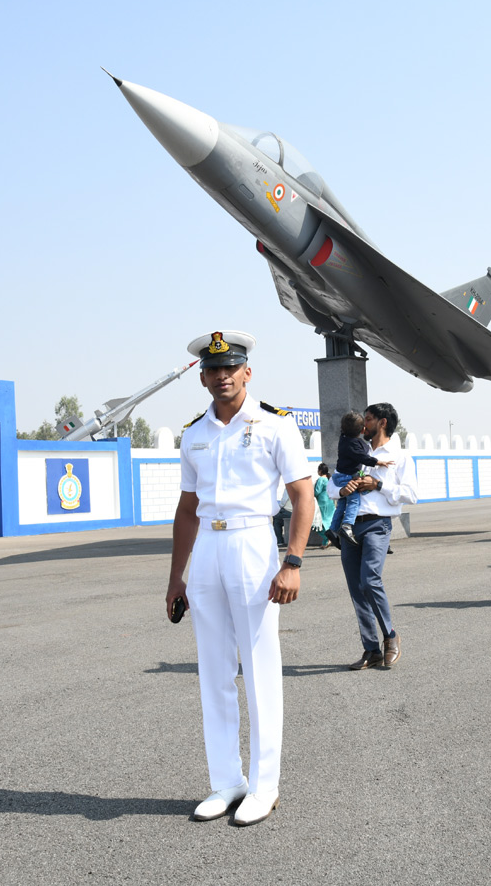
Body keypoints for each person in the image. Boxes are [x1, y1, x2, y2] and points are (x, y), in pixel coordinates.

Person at [167, 330, 313, 827]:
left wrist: (291, 562)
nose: (222, 375)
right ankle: (226, 780)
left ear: (247, 372)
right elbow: (187, 509)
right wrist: (176, 577)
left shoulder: (275, 426)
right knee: (213, 670)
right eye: (213, 369)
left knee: (259, 665)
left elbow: (302, 497)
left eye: (231, 367)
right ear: (203, 377)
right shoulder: (194, 434)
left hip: (254, 543)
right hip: (208, 545)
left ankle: (265, 784)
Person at [332, 402, 417, 670]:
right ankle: (371, 650)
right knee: (356, 590)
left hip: (377, 525)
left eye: (367, 419)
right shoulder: (356, 449)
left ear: (382, 423)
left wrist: (378, 484)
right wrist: (343, 491)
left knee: (370, 580)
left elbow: (411, 494)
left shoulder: (400, 456)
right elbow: (334, 485)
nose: (362, 424)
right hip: (350, 527)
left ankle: (390, 637)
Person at [327, 411, 393, 547]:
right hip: (346, 477)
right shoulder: (355, 444)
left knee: (342, 504)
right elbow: (364, 458)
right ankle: (347, 527)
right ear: (363, 429)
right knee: (354, 501)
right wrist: (378, 462)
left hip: (339, 476)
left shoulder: (343, 439)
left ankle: (333, 529)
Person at [314, 462, 336, 548]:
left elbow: (317, 492)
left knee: (320, 522)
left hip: (322, 502)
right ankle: (325, 541)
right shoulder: (328, 479)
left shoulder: (320, 480)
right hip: (330, 502)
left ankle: (327, 538)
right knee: (328, 521)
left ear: (320, 471)